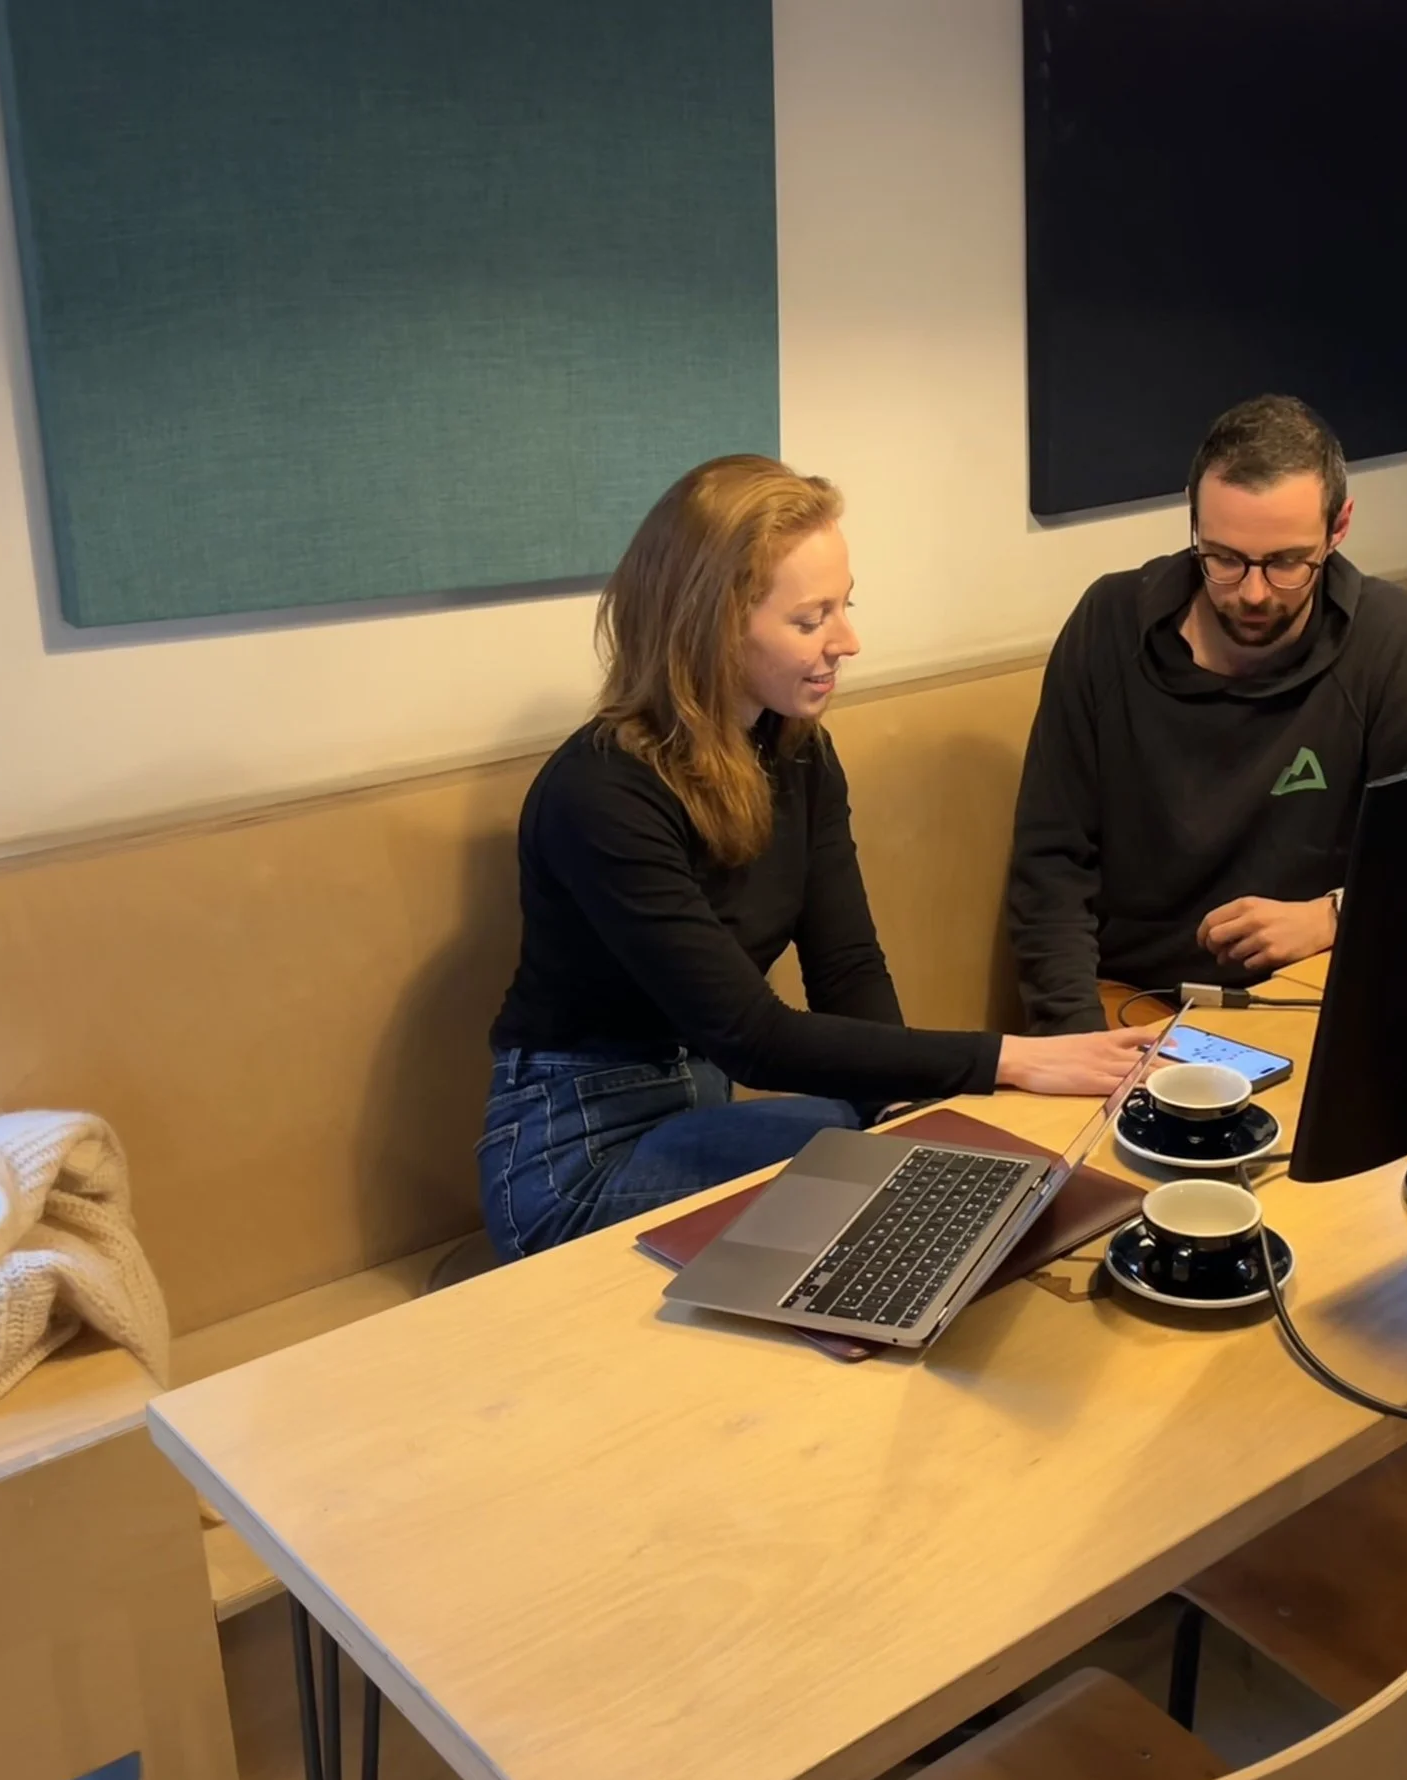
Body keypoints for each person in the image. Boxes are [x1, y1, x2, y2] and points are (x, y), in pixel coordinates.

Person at [479, 456, 1158, 1261]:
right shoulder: (601, 793)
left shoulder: (798, 753)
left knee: (912, 1148)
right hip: (572, 1163)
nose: (848, 641)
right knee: (870, 1151)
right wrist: (1007, 1059)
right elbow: (752, 1035)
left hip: (694, 1108)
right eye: (811, 620)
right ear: (710, 625)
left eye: (845, 605)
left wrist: (905, 1110)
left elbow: (847, 966)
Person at [1007, 395, 1407, 1035]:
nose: (1253, 593)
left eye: (1287, 562)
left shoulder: (1388, 639)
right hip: (1140, 1000)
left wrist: (1334, 915)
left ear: (1339, 527)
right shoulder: (1109, 626)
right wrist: (1078, 1041)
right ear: (1193, 518)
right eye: (1224, 558)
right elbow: (1051, 869)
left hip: (1317, 988)